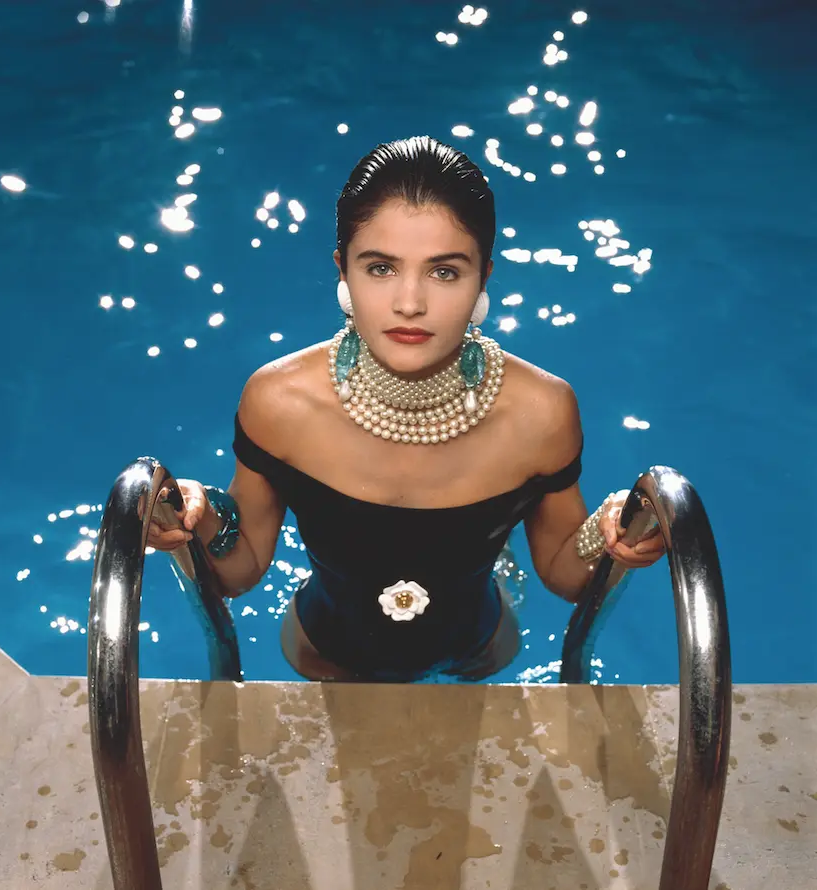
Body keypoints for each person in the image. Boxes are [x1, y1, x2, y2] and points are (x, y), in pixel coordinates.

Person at [147, 136, 665, 682]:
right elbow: (243, 566)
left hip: (483, 649)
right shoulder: (281, 402)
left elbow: (564, 573)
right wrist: (202, 517)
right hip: (323, 650)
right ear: (342, 271)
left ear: (484, 278)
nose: (410, 303)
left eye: (444, 271)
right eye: (380, 268)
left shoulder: (539, 412)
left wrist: (614, 533)